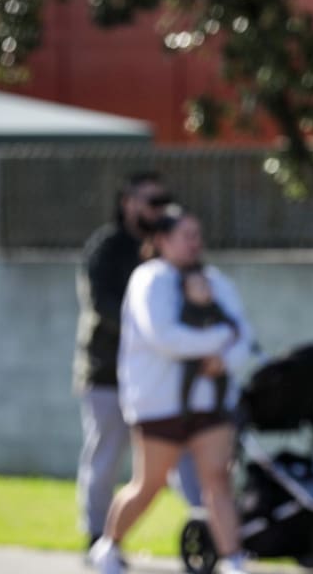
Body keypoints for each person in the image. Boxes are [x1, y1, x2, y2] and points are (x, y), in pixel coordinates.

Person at [88, 207, 255, 574]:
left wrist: (224, 361)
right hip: (158, 405)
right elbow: (164, 336)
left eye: (198, 235)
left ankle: (232, 559)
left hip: (209, 405)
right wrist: (218, 343)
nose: (195, 243)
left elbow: (243, 336)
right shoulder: (150, 279)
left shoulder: (216, 280)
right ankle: (108, 546)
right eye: (186, 235)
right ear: (161, 241)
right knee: (149, 484)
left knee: (217, 479)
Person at [73, 172, 171, 552]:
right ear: (127, 202)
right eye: (151, 201)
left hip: (154, 377)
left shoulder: (165, 247)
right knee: (105, 458)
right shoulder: (106, 247)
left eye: (163, 202)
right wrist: (149, 331)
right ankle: (97, 537)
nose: (158, 210)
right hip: (107, 373)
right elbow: (100, 305)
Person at [178, 265, 234, 418]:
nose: (203, 289)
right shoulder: (187, 310)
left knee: (223, 376)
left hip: (214, 357)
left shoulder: (214, 307)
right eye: (197, 286)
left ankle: (220, 408)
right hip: (194, 356)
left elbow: (231, 326)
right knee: (188, 374)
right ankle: (185, 409)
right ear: (186, 291)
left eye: (205, 285)